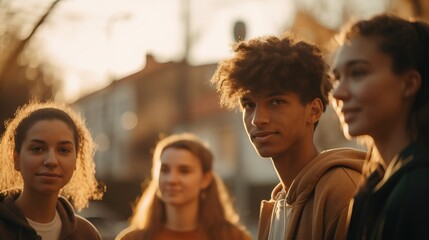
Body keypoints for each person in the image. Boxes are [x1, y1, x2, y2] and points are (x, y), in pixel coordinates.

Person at [210, 34, 366, 240]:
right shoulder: (277, 205)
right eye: (249, 105)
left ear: (314, 111)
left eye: (276, 102)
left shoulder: (341, 192)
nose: (258, 119)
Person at [332, 13, 429, 240]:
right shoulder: (374, 186)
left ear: (409, 83)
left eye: (357, 73)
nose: (337, 93)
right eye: (336, 78)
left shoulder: (418, 189)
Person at [115, 133, 252, 240]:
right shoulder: (131, 239)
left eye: (184, 171)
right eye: (165, 170)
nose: (172, 179)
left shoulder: (234, 238)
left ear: (205, 179)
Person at [0, 101, 104, 239]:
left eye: (63, 150)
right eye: (37, 149)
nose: (51, 161)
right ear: (16, 159)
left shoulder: (87, 234)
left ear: (76, 161)